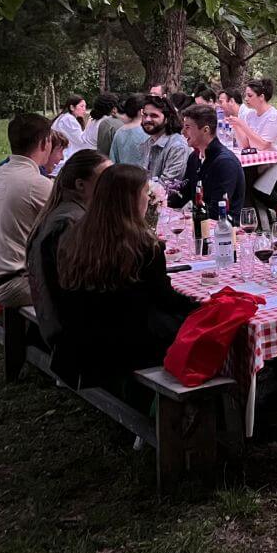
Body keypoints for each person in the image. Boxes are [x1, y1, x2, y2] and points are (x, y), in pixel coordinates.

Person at [52, 164, 198, 389]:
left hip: (81, 339)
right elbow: (165, 299)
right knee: (193, 327)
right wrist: (200, 306)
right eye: (144, 193)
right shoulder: (142, 247)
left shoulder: (77, 235)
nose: (148, 200)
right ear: (130, 200)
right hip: (125, 346)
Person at [25, 149, 112, 347]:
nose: (113, 183)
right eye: (106, 178)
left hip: (59, 317)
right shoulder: (71, 222)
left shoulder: (66, 213)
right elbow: (89, 285)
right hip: (69, 329)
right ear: (81, 185)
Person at [0, 113, 53, 307]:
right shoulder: (35, 183)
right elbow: (75, 224)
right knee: (88, 283)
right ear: (45, 143)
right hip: (15, 284)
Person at [167, 103, 245, 220]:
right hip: (200, 224)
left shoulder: (225, 163)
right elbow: (184, 195)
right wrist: (159, 202)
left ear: (205, 130)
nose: (182, 132)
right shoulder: (194, 157)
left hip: (225, 231)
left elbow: (218, 211)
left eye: (187, 127)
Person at [228, 78, 277, 213]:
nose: (246, 99)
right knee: (246, 184)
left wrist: (243, 125)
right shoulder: (251, 115)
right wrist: (236, 127)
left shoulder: (273, 116)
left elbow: (263, 144)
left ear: (261, 97)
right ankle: (257, 218)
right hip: (263, 163)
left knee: (259, 191)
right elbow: (246, 145)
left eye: (250, 95)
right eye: (245, 95)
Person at [141, 95, 191, 184]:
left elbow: (168, 186)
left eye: (154, 116)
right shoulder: (148, 142)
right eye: (145, 115)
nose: (147, 119)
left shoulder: (177, 147)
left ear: (167, 119)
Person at [109, 93, 148, 166]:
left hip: (123, 174)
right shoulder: (148, 131)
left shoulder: (119, 132)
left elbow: (113, 159)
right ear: (142, 111)